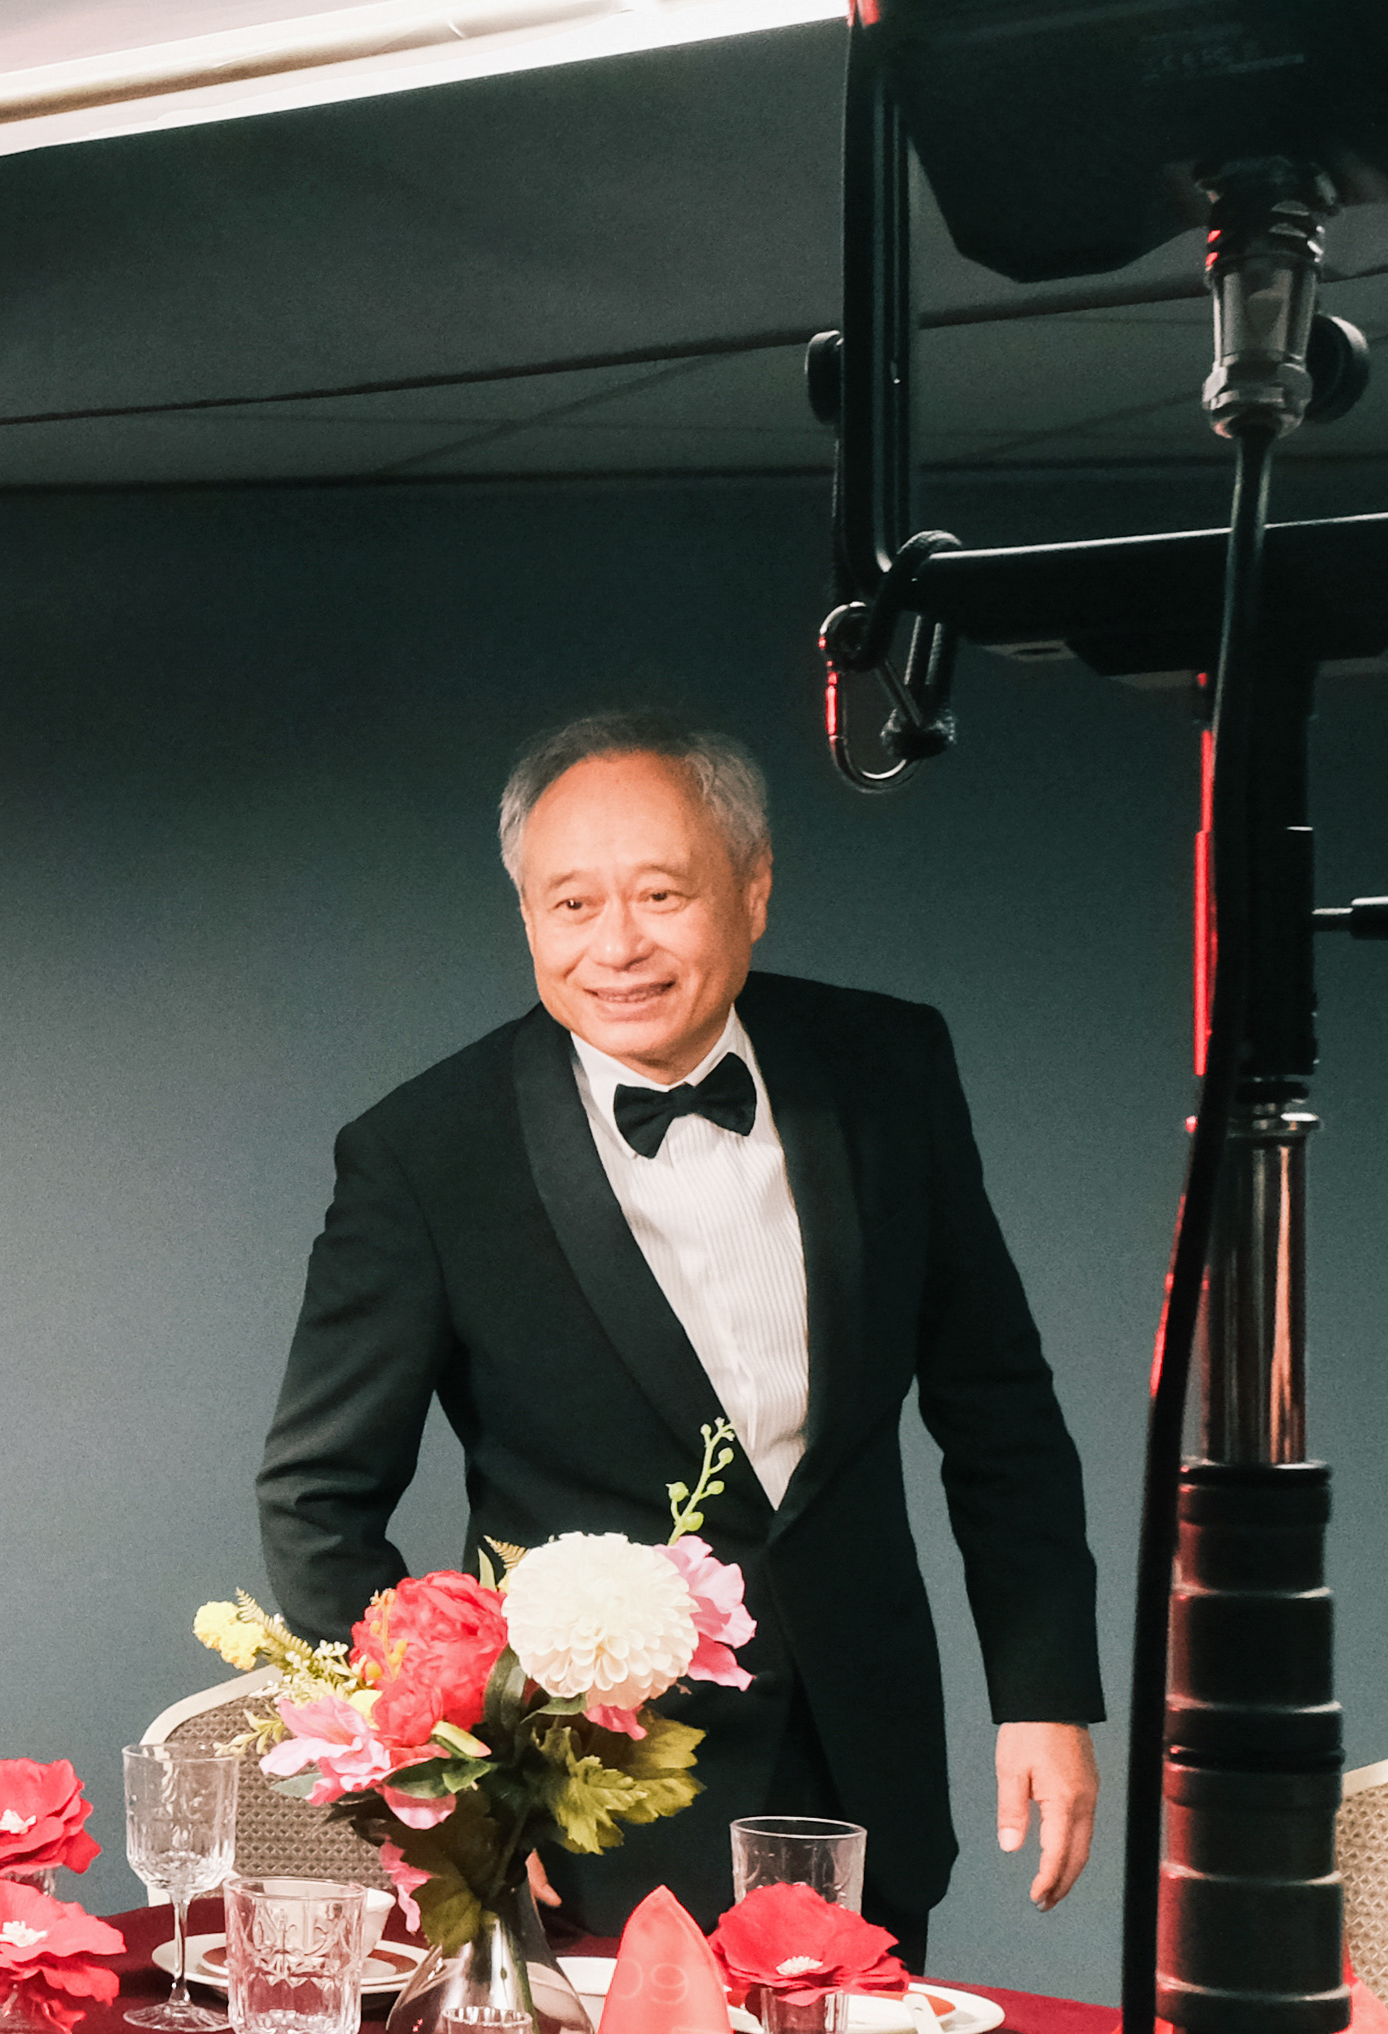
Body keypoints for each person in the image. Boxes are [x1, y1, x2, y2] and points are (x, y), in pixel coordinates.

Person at [253, 711, 1102, 1966]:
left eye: (661, 895)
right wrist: (454, 1798)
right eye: (572, 905)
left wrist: (1043, 1692)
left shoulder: (887, 1066)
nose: (617, 947)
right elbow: (315, 1501)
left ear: (753, 889)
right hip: (588, 1816)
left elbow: (1001, 1409)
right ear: (527, 917)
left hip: (863, 1775)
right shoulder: (424, 1156)